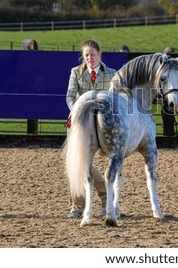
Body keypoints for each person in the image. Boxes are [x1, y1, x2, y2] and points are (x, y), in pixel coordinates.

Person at [65, 39, 116, 219]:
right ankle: (77, 206)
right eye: (86, 55)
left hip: (104, 126)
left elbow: (116, 99)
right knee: (78, 162)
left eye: (92, 54)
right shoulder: (75, 73)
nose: (89, 58)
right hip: (81, 123)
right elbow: (70, 97)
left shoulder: (111, 74)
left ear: (99, 54)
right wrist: (77, 111)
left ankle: (107, 199)